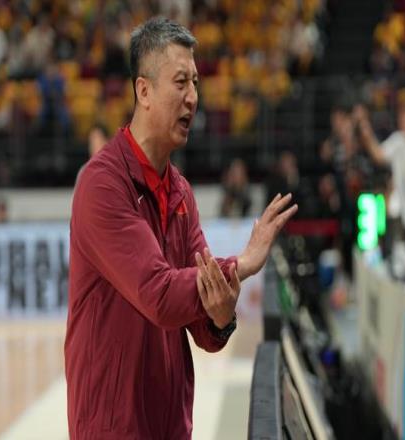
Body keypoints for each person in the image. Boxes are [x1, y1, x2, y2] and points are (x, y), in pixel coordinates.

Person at [65, 17, 297, 439]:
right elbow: (158, 294)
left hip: (171, 425)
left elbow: (205, 330)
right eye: (180, 82)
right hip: (113, 429)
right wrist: (242, 263)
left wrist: (222, 317)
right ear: (144, 91)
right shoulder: (102, 185)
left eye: (195, 83)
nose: (193, 97)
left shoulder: (181, 192)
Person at [356, 102, 405, 246]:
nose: (402, 120)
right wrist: (367, 134)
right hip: (401, 210)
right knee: (399, 250)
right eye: (400, 117)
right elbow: (379, 155)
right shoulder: (398, 140)